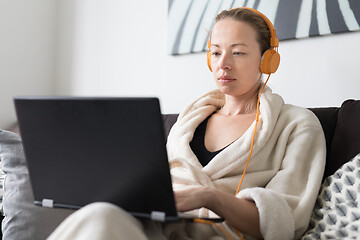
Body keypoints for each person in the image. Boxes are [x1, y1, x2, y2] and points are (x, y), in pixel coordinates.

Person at [48, 7, 326, 240]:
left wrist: (209, 197)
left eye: (238, 52)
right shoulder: (189, 121)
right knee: (100, 213)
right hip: (158, 229)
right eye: (216, 52)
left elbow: (285, 221)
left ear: (267, 61)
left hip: (220, 236)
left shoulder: (296, 125)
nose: (223, 64)